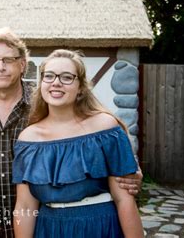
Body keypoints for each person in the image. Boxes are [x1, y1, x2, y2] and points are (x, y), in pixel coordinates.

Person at [0, 28, 143, 238]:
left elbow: (124, 193)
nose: (1, 67)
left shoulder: (100, 125)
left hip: (94, 226)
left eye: (8, 59)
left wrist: (131, 171)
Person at [13, 49, 144, 238]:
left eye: (67, 77)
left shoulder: (105, 128)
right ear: (41, 83)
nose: (56, 82)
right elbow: (25, 206)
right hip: (49, 230)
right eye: (49, 76)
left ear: (81, 87)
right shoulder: (28, 139)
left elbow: (124, 199)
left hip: (100, 227)